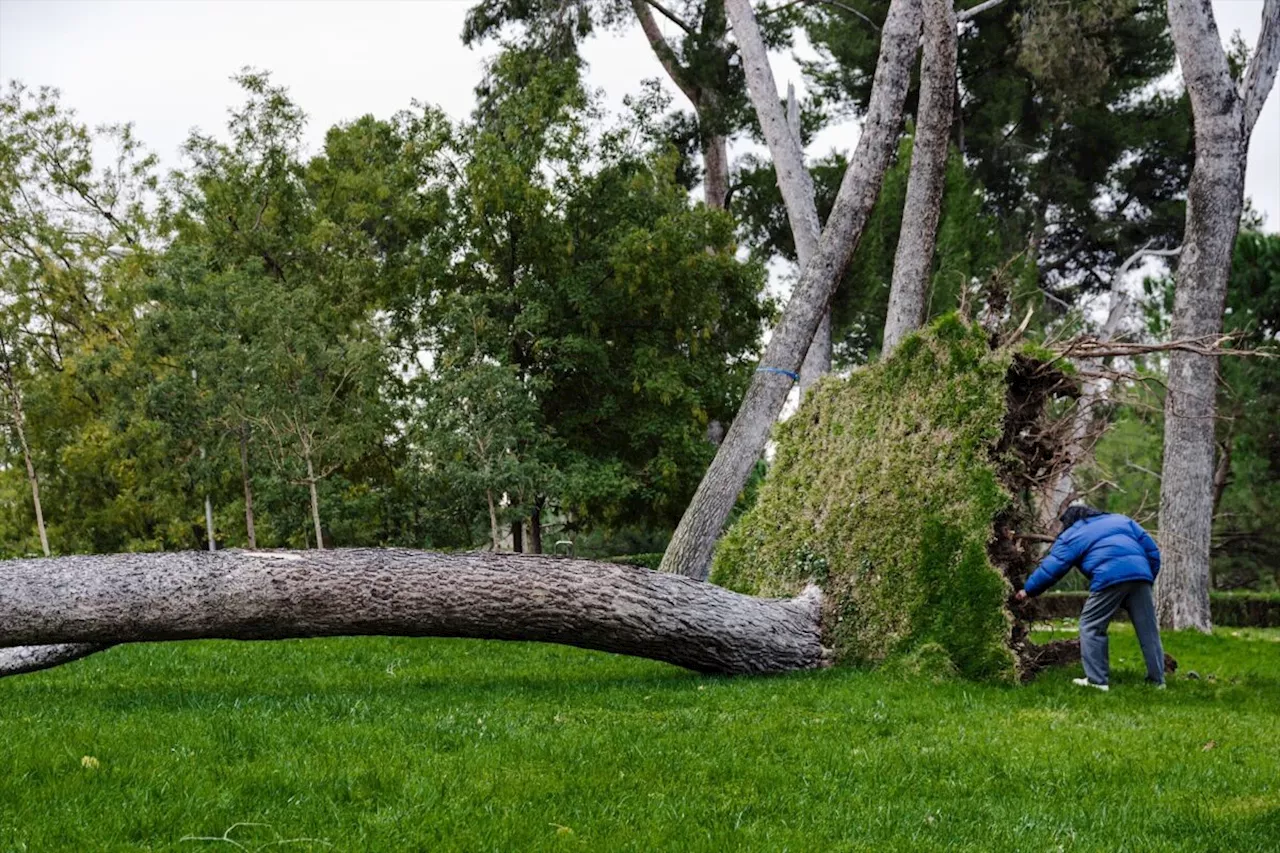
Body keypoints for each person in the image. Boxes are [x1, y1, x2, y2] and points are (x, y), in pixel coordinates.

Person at [1015, 505, 1165, 691]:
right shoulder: (1121, 520)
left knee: (1091, 625)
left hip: (1109, 577)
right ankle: (1158, 681)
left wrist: (1028, 590)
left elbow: (1053, 567)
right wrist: (1146, 577)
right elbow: (1152, 552)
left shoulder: (1072, 534)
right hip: (1142, 576)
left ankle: (1097, 681)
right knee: (1148, 630)